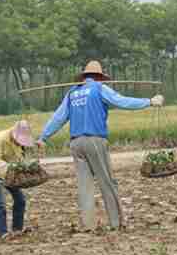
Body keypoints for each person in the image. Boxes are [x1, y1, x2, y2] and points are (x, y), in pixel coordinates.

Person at [37, 60, 164, 232]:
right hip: (94, 140)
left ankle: (88, 226)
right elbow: (122, 101)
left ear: (84, 76)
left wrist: (43, 137)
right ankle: (116, 223)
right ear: (99, 77)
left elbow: (58, 118)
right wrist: (149, 101)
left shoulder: (72, 93)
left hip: (76, 144)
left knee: (84, 186)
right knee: (107, 181)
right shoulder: (100, 88)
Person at [0, 120, 35, 239]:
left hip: (10, 172)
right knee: (0, 200)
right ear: (14, 133)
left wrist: (26, 168)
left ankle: (17, 229)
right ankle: (2, 233)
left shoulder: (21, 144)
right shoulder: (0, 138)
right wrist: (11, 170)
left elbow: (22, 159)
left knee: (20, 199)